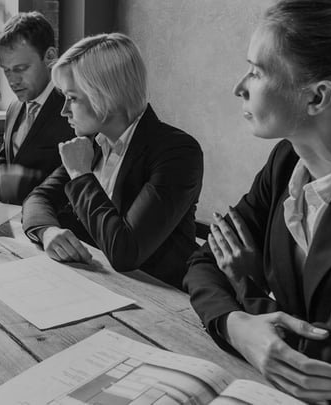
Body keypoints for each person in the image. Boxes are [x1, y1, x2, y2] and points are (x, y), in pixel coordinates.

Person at [184, 0, 331, 403]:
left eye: (256, 71)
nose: (239, 87)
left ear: (316, 97)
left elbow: (320, 360)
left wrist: (248, 287)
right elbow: (202, 262)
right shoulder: (285, 162)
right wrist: (239, 327)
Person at [22, 33, 203, 289]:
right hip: (99, 281)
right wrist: (47, 231)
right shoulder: (94, 143)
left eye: (72, 98)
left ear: (105, 95)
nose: (63, 111)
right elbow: (37, 198)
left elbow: (126, 252)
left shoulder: (178, 152)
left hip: (160, 295)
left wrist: (81, 175)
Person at [0, 11, 74, 204]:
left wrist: (22, 183)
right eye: (6, 70)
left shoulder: (73, 109)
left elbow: (79, 180)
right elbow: (5, 165)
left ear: (50, 56)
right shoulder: (13, 107)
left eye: (20, 69)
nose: (12, 80)